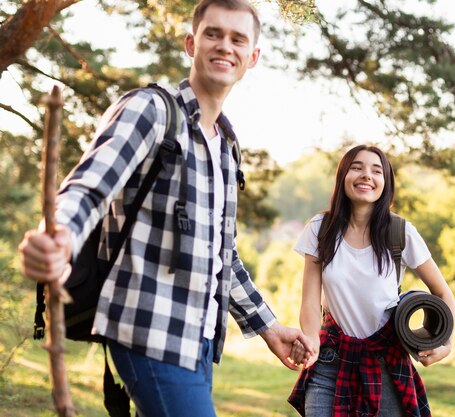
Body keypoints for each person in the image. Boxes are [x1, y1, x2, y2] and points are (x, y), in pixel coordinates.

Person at [19, 1, 312, 416]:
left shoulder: (227, 145)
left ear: (253, 56)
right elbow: (88, 187)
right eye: (213, 34)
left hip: (200, 340)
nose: (224, 46)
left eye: (237, 39)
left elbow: (220, 254)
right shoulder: (151, 110)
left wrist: (268, 327)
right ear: (192, 43)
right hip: (146, 330)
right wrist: (58, 238)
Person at [287, 145, 455, 417]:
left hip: (386, 363)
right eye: (357, 167)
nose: (366, 175)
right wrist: (310, 342)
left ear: (385, 183)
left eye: (376, 171)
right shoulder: (320, 229)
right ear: (343, 176)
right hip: (330, 362)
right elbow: (309, 301)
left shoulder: (401, 232)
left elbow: (442, 292)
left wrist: (446, 342)